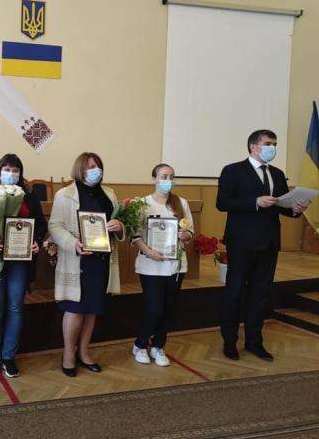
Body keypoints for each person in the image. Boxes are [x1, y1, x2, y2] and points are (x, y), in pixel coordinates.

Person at [217, 129, 310, 361]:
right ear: (253, 146)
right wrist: (254, 202)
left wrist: (295, 209)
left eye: (275, 144)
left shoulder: (277, 173)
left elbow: (281, 206)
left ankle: (254, 342)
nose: (273, 148)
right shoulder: (233, 170)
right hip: (241, 242)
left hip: (268, 243)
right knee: (235, 292)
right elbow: (223, 203)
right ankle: (229, 342)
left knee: (260, 295)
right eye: (268, 143)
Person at [0, 153, 47, 378]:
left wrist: (37, 241)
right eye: (7, 169)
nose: (11, 174)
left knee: (15, 308)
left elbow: (40, 225)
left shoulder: (29, 196)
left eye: (15, 170)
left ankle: (8, 356)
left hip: (19, 261)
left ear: (20, 173)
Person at [48, 152, 124, 377]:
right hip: (77, 259)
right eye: (91, 166)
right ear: (80, 169)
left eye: (98, 166)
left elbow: (119, 224)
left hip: (101, 260)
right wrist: (73, 243)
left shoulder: (109, 194)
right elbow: (55, 226)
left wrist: (119, 226)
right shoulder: (65, 194)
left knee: (92, 309)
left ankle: (83, 352)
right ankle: (68, 355)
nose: (96, 170)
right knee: (75, 308)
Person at [131, 164, 194, 367]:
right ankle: (140, 345)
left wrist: (185, 235)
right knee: (154, 309)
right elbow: (134, 235)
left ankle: (158, 346)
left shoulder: (181, 203)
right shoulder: (141, 203)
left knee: (168, 310)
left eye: (172, 176)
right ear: (154, 179)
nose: (168, 180)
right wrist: (149, 251)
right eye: (164, 176)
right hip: (150, 265)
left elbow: (190, 232)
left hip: (175, 267)